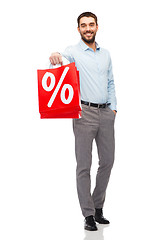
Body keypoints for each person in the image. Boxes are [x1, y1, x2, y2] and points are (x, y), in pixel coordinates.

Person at [49, 12, 117, 231]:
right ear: (78, 29)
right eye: (83, 25)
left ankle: (98, 208)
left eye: (91, 24)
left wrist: (113, 107)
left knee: (107, 161)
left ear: (97, 26)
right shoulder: (74, 52)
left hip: (106, 113)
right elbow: (62, 58)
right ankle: (88, 214)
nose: (88, 28)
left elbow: (110, 81)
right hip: (84, 113)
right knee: (84, 166)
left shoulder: (106, 54)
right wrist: (55, 55)